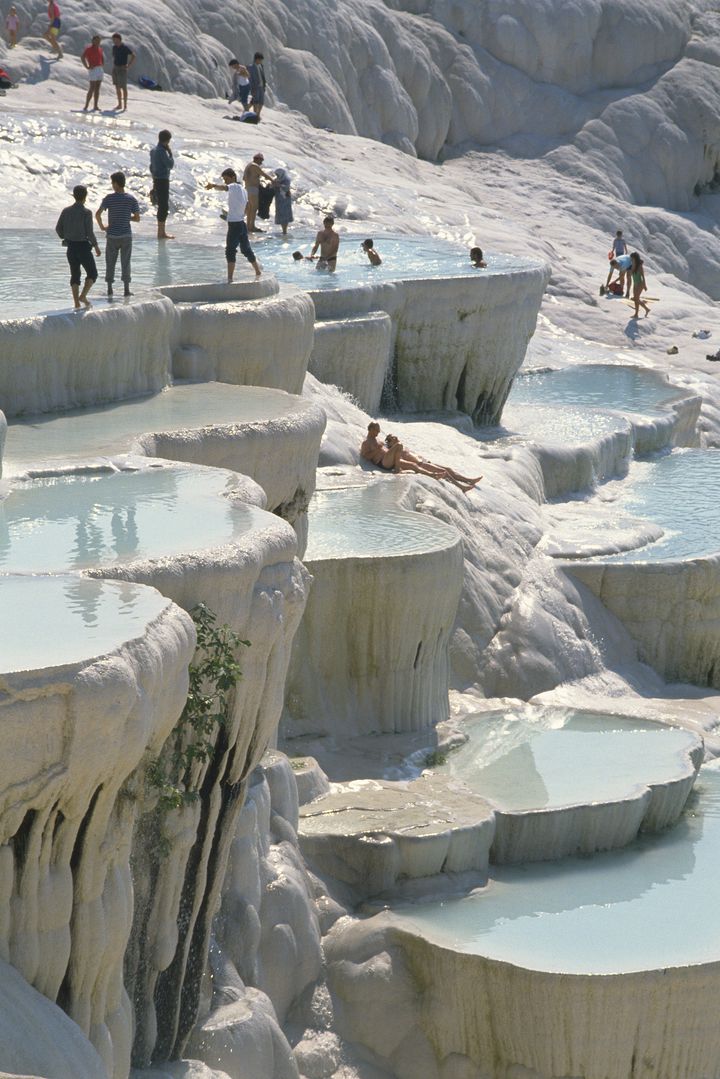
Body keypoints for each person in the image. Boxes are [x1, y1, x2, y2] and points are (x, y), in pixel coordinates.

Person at [360, 423, 482, 493]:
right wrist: (379, 449)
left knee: (414, 466)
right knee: (400, 446)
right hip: (382, 462)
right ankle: (398, 469)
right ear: (370, 429)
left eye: (379, 430)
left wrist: (385, 449)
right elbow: (365, 456)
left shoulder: (378, 440)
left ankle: (432, 475)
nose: (378, 432)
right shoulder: (366, 443)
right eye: (376, 430)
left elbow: (391, 450)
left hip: (391, 460)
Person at [205, 168, 262, 282]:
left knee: (230, 251)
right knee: (246, 249)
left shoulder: (234, 186)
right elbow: (248, 207)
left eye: (226, 179)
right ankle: (257, 271)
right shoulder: (243, 190)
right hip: (241, 224)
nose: (225, 181)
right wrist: (237, 214)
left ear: (233, 177)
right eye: (224, 179)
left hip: (235, 226)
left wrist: (213, 185)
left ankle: (230, 278)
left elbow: (224, 188)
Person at [95, 171, 140, 297]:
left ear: (115, 183)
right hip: (126, 236)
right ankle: (126, 290)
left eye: (112, 182)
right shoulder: (131, 199)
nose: (112, 185)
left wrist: (103, 227)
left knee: (110, 262)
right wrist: (126, 217)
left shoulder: (109, 198)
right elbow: (137, 218)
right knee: (126, 262)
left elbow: (97, 214)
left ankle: (109, 289)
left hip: (112, 236)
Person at [55, 184, 101, 308]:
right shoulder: (86, 212)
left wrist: (65, 237)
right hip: (83, 247)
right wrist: (96, 246)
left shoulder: (66, 211)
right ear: (85, 197)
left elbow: (58, 229)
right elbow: (90, 233)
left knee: (75, 275)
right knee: (92, 273)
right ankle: (83, 296)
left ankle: (76, 303)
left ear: (74, 196)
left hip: (71, 247)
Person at [150, 129, 175, 240]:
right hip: (163, 180)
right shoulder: (162, 151)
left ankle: (160, 232)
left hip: (156, 179)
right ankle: (161, 232)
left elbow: (151, 167)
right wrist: (171, 154)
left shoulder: (153, 150)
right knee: (163, 206)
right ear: (167, 140)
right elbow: (170, 164)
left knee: (161, 205)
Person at [242, 152, 274, 233]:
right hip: (252, 189)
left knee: (250, 208)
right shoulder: (254, 166)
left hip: (248, 188)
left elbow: (244, 178)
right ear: (257, 159)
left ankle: (249, 225)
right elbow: (264, 174)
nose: (261, 162)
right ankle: (251, 226)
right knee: (254, 207)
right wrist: (273, 181)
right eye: (261, 160)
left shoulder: (248, 166)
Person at [111, 33, 135, 111]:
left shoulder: (124, 47)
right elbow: (114, 56)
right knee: (117, 86)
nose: (114, 41)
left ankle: (125, 105)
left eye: (115, 39)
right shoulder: (114, 47)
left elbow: (133, 55)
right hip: (116, 67)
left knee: (123, 87)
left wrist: (128, 65)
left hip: (122, 68)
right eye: (113, 40)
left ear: (119, 39)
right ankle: (119, 104)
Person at [81, 35, 104, 111]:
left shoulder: (100, 49)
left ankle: (95, 106)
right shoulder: (89, 49)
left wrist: (102, 64)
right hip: (93, 69)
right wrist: (87, 66)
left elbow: (102, 57)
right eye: (96, 40)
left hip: (99, 68)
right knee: (92, 87)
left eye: (99, 41)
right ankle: (86, 105)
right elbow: (82, 57)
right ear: (93, 41)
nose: (98, 42)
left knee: (97, 88)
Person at [629, 251, 650, 318]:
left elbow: (642, 276)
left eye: (632, 258)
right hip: (635, 284)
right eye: (631, 258)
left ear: (635, 258)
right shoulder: (632, 265)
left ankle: (636, 314)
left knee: (636, 298)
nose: (631, 259)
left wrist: (644, 285)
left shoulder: (639, 266)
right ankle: (646, 309)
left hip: (640, 284)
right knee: (636, 299)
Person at [272, 167, 293, 236]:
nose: (277, 176)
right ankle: (283, 230)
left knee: (285, 214)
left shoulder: (286, 180)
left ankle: (285, 231)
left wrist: (279, 185)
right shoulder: (276, 180)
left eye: (278, 174)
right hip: (279, 200)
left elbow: (286, 187)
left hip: (285, 199)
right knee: (280, 213)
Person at [248, 51, 266, 117]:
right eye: (260, 59)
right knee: (256, 102)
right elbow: (250, 79)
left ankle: (258, 115)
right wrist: (252, 88)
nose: (261, 61)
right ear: (257, 59)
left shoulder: (261, 66)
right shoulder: (251, 67)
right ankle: (255, 116)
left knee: (261, 102)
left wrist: (264, 86)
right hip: (255, 87)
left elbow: (262, 76)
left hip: (261, 87)